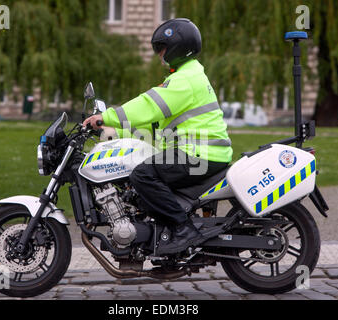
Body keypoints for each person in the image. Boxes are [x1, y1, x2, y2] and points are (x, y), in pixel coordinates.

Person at [83, 18, 233, 255]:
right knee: (142, 175)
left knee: (142, 175)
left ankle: (183, 229)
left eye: (162, 48)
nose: (159, 54)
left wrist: (107, 117)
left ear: (178, 47)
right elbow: (155, 122)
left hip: (199, 154)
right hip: (199, 152)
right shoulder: (187, 76)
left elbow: (147, 106)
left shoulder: (185, 79)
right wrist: (113, 131)